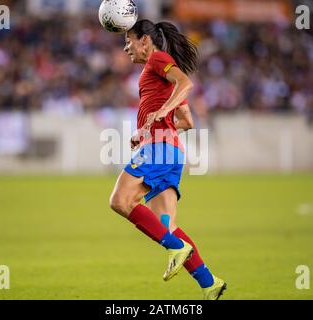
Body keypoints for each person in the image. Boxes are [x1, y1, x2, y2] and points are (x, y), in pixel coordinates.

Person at [109, 19, 226, 300]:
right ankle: (209, 283)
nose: (126, 48)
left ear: (145, 41)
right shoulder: (162, 78)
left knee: (120, 201)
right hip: (170, 151)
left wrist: (161, 113)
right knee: (167, 226)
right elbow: (186, 121)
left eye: (129, 40)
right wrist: (148, 129)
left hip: (160, 151)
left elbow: (186, 84)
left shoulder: (158, 60)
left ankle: (175, 248)